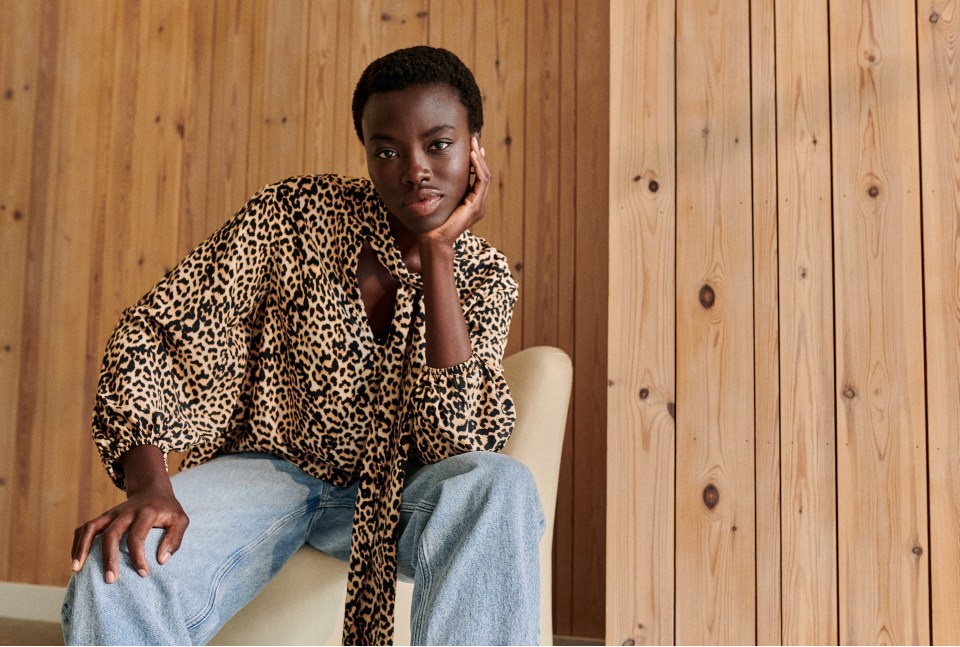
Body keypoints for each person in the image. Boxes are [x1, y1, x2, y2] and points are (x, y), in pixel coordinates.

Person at [61, 45, 544, 646]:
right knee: (121, 565)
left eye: (439, 144)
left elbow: (457, 443)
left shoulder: (485, 276)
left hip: (403, 495)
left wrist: (440, 254)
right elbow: (155, 332)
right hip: (268, 470)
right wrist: (150, 488)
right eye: (387, 151)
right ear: (366, 153)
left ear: (475, 143)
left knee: (500, 484)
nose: (413, 169)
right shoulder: (297, 215)